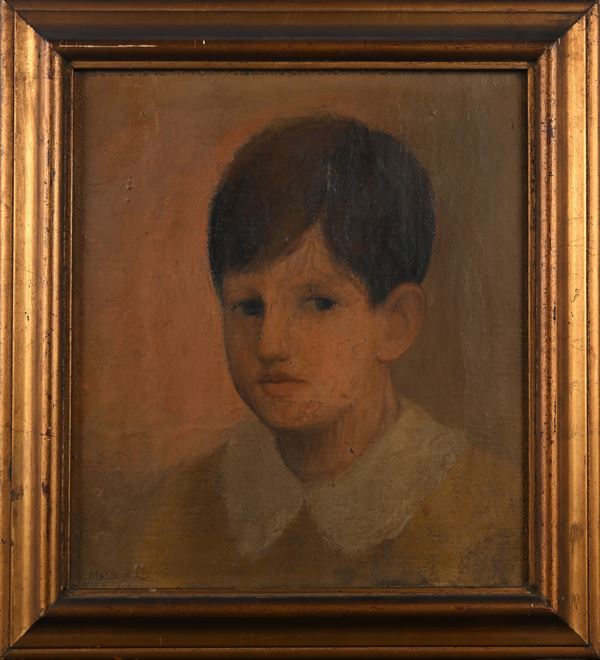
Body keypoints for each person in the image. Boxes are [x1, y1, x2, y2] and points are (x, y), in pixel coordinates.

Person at [132, 115, 524, 588]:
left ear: (396, 323)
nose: (270, 344)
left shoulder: (494, 515)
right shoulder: (181, 512)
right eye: (249, 307)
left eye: (318, 303)